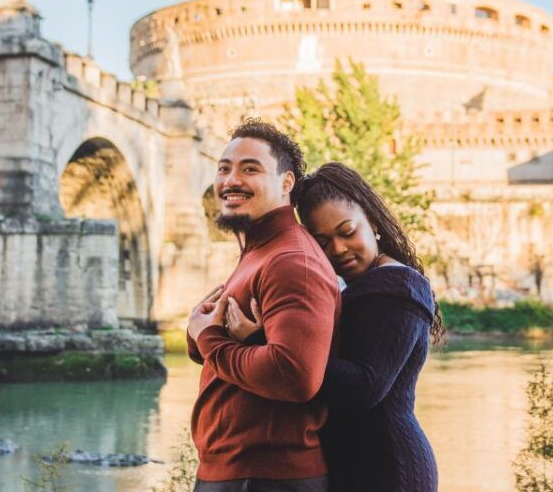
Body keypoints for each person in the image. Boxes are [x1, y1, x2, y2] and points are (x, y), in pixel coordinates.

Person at [225, 162, 442, 492]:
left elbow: (365, 386)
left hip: (386, 470)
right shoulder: (366, 285)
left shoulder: (396, 287)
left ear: (372, 221)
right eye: (322, 242)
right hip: (361, 465)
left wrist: (262, 342)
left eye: (347, 231)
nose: (338, 249)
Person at [186, 120, 341, 492]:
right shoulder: (260, 252)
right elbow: (219, 350)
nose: (231, 180)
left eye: (250, 169)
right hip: (238, 472)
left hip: (265, 477)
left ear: (286, 183)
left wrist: (208, 339)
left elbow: (295, 375)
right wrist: (199, 335)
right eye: (224, 168)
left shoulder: (292, 261)